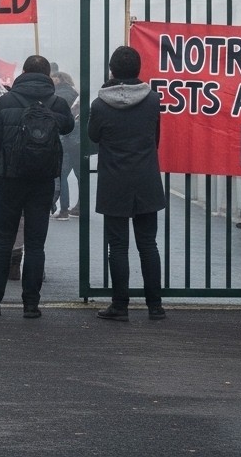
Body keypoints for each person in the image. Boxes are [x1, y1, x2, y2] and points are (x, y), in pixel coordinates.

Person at [0, 54, 74, 319]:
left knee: (2, 241)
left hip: (10, 180)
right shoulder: (57, 102)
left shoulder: (6, 101)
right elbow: (68, 127)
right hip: (42, 181)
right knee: (35, 244)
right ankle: (31, 304)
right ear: (47, 75)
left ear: (23, 72)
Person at [90, 46, 167, 321]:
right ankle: (155, 306)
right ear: (138, 69)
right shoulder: (153, 100)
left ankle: (120, 305)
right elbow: (155, 138)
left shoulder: (100, 104)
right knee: (148, 245)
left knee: (118, 246)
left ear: (112, 70)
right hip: (146, 178)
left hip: (114, 180)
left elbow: (93, 135)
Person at [52, 70, 81, 219]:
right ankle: (80, 206)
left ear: (58, 79)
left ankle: (63, 209)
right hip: (78, 138)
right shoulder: (74, 92)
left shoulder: (57, 95)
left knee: (62, 174)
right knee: (78, 174)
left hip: (66, 137)